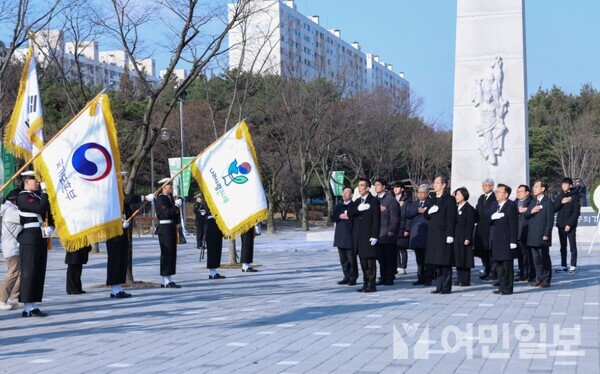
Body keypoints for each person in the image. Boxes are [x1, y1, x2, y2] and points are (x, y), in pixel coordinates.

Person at [17, 171, 53, 317]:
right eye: (35, 181)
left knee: (39, 271)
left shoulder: (37, 196)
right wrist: (45, 192)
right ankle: (27, 306)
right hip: (29, 238)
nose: (37, 183)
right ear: (26, 182)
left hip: (41, 237)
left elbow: (48, 212)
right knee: (29, 272)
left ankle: (34, 304)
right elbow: (39, 208)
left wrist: (52, 226)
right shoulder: (23, 197)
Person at [105, 192, 153, 298]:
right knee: (115, 261)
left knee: (122, 260)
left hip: (123, 233)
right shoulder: (110, 194)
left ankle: (117, 288)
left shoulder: (120, 197)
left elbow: (129, 204)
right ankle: (114, 288)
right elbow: (128, 199)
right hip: (114, 234)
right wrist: (143, 197)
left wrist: (145, 201)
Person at [347, 178, 380, 293]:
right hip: (358, 236)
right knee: (362, 261)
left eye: (362, 185)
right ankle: (365, 283)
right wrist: (358, 209)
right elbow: (349, 213)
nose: (359, 188)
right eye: (358, 186)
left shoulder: (373, 201)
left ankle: (372, 284)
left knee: (370, 262)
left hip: (369, 235)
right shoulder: (357, 201)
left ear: (367, 188)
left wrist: (375, 235)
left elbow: (377, 219)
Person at [424, 176, 457, 294]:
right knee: (436, 261)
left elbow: (451, 217)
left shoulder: (449, 199)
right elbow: (426, 215)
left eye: (437, 183)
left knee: (445, 261)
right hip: (433, 234)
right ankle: (439, 285)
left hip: (444, 233)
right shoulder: (432, 198)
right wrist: (429, 211)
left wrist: (450, 234)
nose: (435, 185)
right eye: (435, 182)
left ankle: (446, 286)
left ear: (444, 185)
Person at [489, 184, 518, 295]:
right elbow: (486, 216)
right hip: (496, 240)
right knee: (499, 265)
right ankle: (502, 286)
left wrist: (513, 241)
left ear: (506, 194)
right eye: (496, 191)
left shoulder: (510, 205)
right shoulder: (495, 204)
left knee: (507, 266)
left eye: (499, 192)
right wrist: (492, 216)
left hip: (506, 240)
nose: (496, 193)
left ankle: (508, 288)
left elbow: (513, 224)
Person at [524, 180, 554, 288]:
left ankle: (546, 279)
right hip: (532, 235)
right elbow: (526, 215)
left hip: (542, 235)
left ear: (543, 189)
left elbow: (550, 221)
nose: (534, 188)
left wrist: (547, 234)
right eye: (534, 186)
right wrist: (532, 211)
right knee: (535, 259)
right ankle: (539, 278)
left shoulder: (548, 202)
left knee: (544, 258)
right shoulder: (533, 202)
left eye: (536, 186)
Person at [155, 178, 182, 288]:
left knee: (171, 254)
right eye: (169, 185)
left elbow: (174, 215)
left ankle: (168, 278)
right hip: (165, 228)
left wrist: (176, 206)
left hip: (170, 227)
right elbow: (167, 213)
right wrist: (176, 206)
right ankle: (165, 279)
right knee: (166, 254)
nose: (171, 187)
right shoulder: (161, 199)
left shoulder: (169, 198)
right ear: (164, 187)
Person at [405, 184, 433, 286]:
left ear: (427, 193)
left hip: (427, 233)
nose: (420, 194)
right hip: (416, 232)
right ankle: (420, 277)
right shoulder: (414, 204)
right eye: (419, 192)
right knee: (419, 259)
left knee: (427, 258)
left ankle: (428, 278)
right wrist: (417, 210)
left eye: (422, 192)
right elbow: (407, 214)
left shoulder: (431, 203)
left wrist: (425, 212)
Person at [374, 178, 399, 286]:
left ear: (384, 187)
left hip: (388, 234)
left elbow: (395, 217)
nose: (376, 187)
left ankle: (390, 277)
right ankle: (383, 276)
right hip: (377, 234)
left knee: (389, 257)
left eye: (378, 185)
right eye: (375, 185)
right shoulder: (374, 200)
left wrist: (392, 230)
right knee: (380, 258)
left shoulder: (390, 200)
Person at [0, 188, 23, 311]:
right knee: (13, 273)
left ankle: (14, 298)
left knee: (19, 273)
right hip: (12, 247)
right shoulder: (10, 211)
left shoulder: (11, 209)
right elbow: (24, 219)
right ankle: (1, 299)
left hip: (15, 246)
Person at [330, 187, 357, 285]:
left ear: (352, 195)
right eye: (343, 192)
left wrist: (348, 216)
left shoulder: (354, 206)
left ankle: (353, 277)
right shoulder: (339, 206)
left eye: (347, 192)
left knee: (351, 259)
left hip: (350, 236)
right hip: (340, 236)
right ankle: (346, 276)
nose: (344, 194)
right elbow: (332, 217)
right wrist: (339, 216)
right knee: (343, 259)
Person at [554, 177, 581, 273]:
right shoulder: (559, 196)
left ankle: (573, 265)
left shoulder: (575, 196)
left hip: (570, 226)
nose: (563, 186)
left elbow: (576, 212)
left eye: (565, 184)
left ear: (570, 186)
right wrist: (561, 202)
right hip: (560, 224)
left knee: (572, 246)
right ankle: (563, 265)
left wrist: (570, 224)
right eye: (562, 184)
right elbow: (554, 209)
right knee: (563, 246)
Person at [474, 178, 497, 281]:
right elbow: (477, 210)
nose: (484, 187)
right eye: (483, 185)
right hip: (480, 228)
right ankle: (487, 270)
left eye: (486, 185)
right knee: (483, 251)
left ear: (492, 186)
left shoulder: (495, 197)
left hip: (490, 227)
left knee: (490, 251)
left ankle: (493, 272)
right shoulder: (481, 198)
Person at [452, 187, 476, 287]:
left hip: (464, 237)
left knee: (465, 258)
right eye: (456, 194)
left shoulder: (469, 209)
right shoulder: (456, 208)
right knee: (458, 257)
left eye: (458, 194)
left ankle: (466, 280)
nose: (456, 197)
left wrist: (468, 237)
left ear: (464, 195)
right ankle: (459, 278)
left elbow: (470, 224)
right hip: (456, 236)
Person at [514, 184, 534, 282]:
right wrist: (518, 210)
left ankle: (529, 273)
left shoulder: (531, 201)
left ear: (527, 193)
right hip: (517, 232)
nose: (518, 193)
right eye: (517, 191)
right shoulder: (515, 202)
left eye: (520, 192)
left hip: (527, 231)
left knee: (527, 254)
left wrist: (527, 210)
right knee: (520, 254)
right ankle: (522, 273)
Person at [392, 181, 410, 275]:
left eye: (397, 187)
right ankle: (397, 266)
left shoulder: (407, 200)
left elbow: (408, 216)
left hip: (403, 226)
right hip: (394, 227)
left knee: (402, 248)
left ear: (402, 189)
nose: (395, 189)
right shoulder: (392, 199)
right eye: (394, 187)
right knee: (395, 248)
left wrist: (407, 229)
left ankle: (403, 267)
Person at [204, 204, 226, 279]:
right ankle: (212, 272)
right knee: (212, 248)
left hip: (218, 221)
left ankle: (214, 271)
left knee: (217, 248)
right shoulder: (208, 196)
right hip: (211, 223)